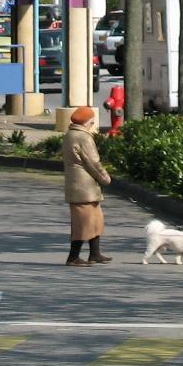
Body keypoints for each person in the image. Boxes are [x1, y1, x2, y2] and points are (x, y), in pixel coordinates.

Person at [61, 105, 112, 265]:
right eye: (91, 121)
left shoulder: (70, 134)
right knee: (83, 223)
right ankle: (73, 257)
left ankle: (95, 253)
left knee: (95, 220)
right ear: (86, 122)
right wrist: (105, 178)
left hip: (79, 185)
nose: (92, 124)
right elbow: (93, 162)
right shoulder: (83, 137)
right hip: (84, 186)